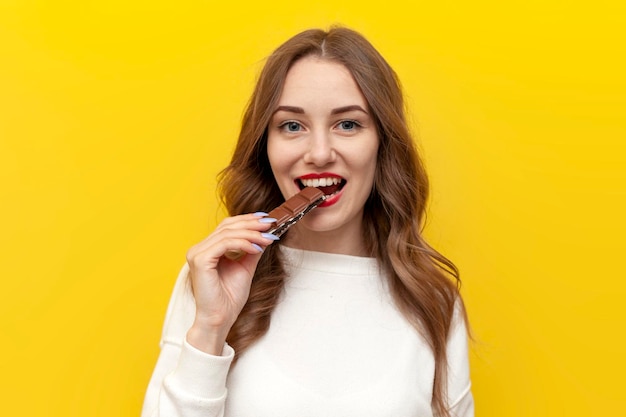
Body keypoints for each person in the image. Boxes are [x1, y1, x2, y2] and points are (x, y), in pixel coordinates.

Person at [141, 26, 474, 417]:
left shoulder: (432, 301)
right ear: (265, 145)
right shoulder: (213, 280)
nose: (319, 153)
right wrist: (212, 325)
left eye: (347, 124)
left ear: (382, 143)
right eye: (292, 126)